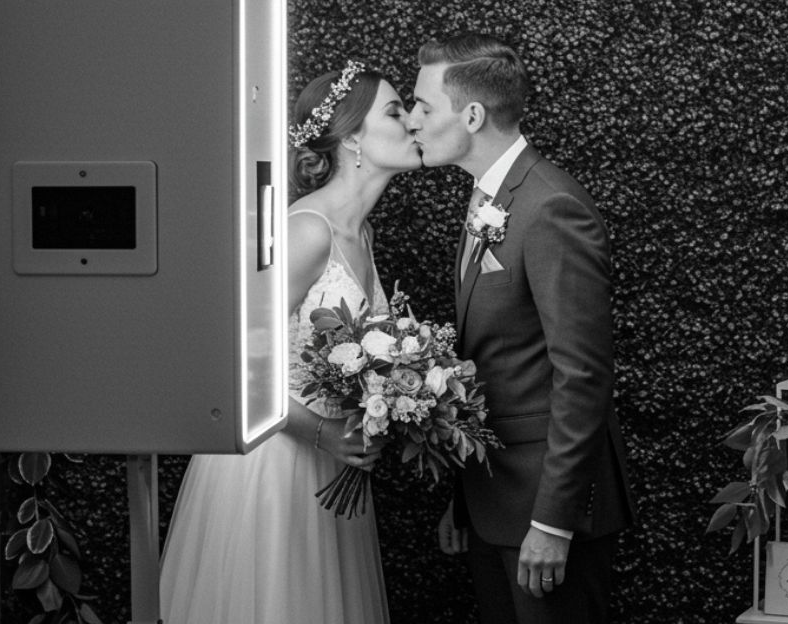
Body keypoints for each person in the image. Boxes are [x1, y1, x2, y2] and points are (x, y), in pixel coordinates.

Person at [159, 60, 422, 624]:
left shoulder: (361, 231)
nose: (414, 123)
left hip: (332, 467)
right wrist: (324, 432)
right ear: (352, 136)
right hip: (276, 466)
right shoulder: (306, 231)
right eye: (397, 112)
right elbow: (231, 360)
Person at [407, 33, 635, 624]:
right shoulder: (490, 197)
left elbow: (582, 375)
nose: (412, 120)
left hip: (546, 510)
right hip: (493, 499)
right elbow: (499, 360)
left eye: (423, 106)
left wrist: (552, 520)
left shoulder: (550, 206)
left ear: (473, 114)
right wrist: (464, 497)